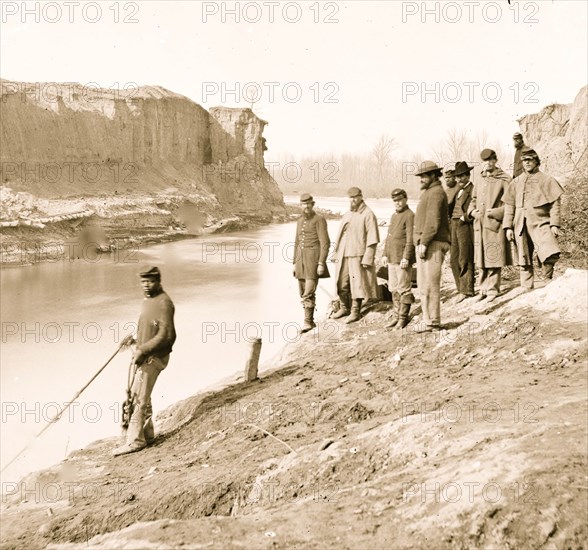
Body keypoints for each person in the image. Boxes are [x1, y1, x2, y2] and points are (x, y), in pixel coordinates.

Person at [113, 266, 176, 457]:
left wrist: (143, 349)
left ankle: (135, 441)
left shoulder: (164, 303)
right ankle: (147, 435)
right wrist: (133, 339)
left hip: (154, 357)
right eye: (143, 282)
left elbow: (167, 335)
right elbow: (148, 327)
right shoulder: (150, 301)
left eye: (150, 281)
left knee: (138, 398)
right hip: (147, 355)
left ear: (158, 281)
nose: (146, 285)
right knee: (142, 396)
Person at [503, 148, 564, 290]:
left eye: (530, 160)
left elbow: (555, 204)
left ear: (536, 161)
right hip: (520, 224)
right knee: (523, 258)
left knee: (550, 251)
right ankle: (526, 288)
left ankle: (546, 280)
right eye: (525, 160)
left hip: (541, 221)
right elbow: (509, 206)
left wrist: (554, 224)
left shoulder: (547, 179)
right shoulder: (516, 182)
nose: (527, 163)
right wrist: (508, 228)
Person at [468, 149, 513, 301]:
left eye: (490, 160)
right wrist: (472, 212)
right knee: (480, 258)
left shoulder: (505, 179)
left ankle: (493, 290)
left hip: (494, 224)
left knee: (493, 257)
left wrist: (496, 212)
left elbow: (511, 203)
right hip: (479, 225)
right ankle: (482, 289)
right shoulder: (480, 179)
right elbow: (473, 199)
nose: (487, 164)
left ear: (495, 161)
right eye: (484, 161)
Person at [332, 187, 380, 324]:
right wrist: (335, 252)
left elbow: (372, 238)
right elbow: (340, 235)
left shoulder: (368, 214)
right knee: (341, 282)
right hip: (344, 254)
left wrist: (368, 257)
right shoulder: (348, 213)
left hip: (358, 254)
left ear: (361, 197)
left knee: (357, 284)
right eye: (350, 198)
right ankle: (344, 307)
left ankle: (355, 312)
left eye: (355, 197)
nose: (353, 200)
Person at [413, 161, 451, 332]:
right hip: (428, 242)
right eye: (420, 176)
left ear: (434, 176)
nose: (421, 179)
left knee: (430, 284)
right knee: (423, 284)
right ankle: (428, 320)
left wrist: (424, 242)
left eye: (424, 176)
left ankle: (433, 321)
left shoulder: (436, 193)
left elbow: (433, 222)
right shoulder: (431, 192)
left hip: (433, 243)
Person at [293, 193, 330, 333]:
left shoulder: (319, 219)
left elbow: (325, 243)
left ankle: (307, 322)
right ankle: (310, 322)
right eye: (303, 204)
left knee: (308, 292)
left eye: (308, 204)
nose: (306, 206)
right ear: (300, 206)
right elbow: (296, 242)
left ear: (313, 204)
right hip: (300, 260)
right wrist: (293, 263)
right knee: (302, 292)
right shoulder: (299, 221)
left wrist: (321, 263)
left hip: (313, 260)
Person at [382, 188, 415, 329]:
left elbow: (410, 239)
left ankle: (403, 318)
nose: (397, 203)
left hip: (402, 259)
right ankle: (396, 316)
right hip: (392, 258)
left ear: (405, 199)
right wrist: (385, 254)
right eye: (395, 201)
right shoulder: (394, 216)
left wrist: (406, 257)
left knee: (404, 288)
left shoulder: (410, 215)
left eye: (400, 200)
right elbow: (389, 238)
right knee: (394, 288)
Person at [450, 161, 475, 302]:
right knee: (454, 259)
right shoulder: (457, 191)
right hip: (454, 224)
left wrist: (464, 218)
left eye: (462, 176)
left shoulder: (472, 190)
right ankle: (460, 288)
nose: (459, 179)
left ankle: (467, 290)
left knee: (465, 257)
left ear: (468, 175)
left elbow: (475, 209)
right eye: (457, 177)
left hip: (464, 225)